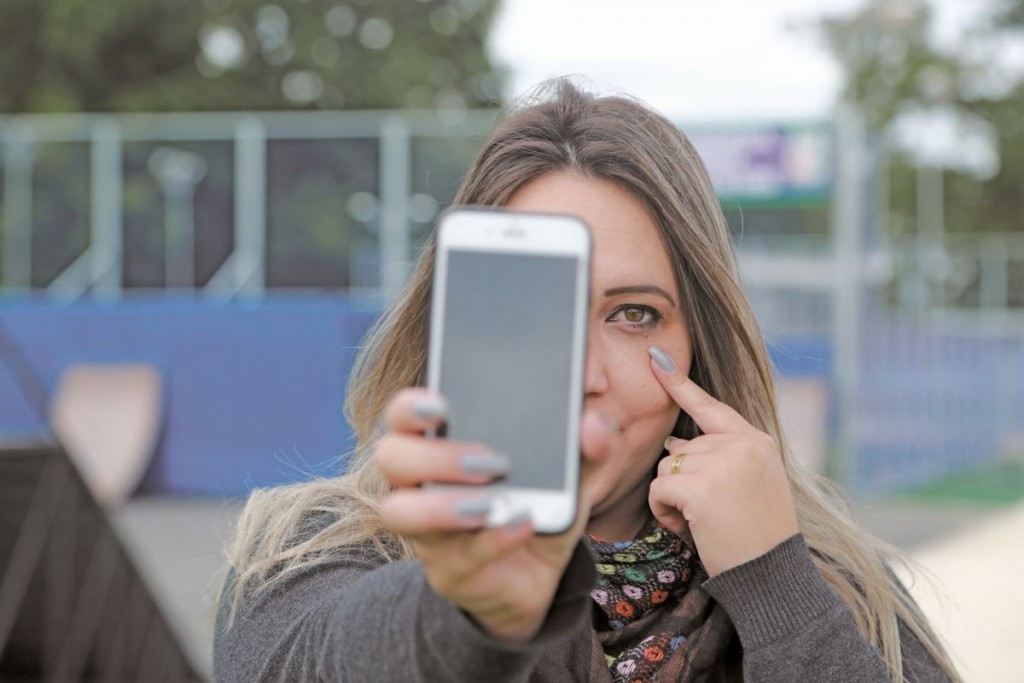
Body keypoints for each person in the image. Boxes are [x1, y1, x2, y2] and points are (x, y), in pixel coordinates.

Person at [213, 78, 960, 682]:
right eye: (535, 309)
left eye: (633, 313)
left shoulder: (838, 586)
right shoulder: (303, 553)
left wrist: (776, 589)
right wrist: (465, 608)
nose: (581, 374)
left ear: (699, 344)